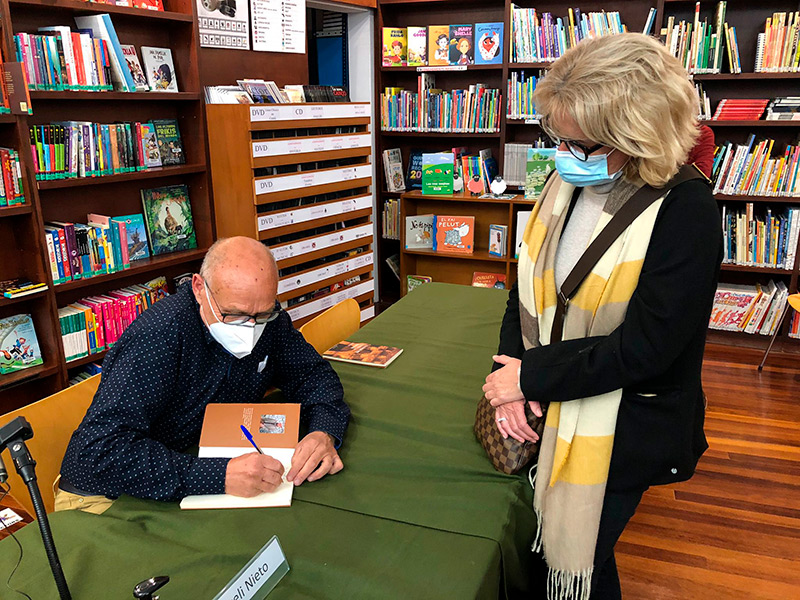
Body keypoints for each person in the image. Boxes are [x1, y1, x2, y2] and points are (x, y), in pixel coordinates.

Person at [481, 34, 722, 600]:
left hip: (625, 425)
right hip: (553, 400)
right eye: (557, 137)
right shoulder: (565, 181)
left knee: (573, 560)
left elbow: (646, 347)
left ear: (637, 134)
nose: (564, 154)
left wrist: (530, 378)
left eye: (582, 143)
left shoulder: (687, 210)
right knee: (561, 562)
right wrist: (514, 374)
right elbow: (526, 287)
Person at [58, 237, 350, 513]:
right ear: (199, 288)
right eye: (233, 315)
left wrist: (322, 432)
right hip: (107, 497)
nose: (250, 328)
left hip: (197, 458)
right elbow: (101, 452)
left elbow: (313, 375)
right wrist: (217, 475)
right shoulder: (158, 335)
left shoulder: (268, 318)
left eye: (261, 314)